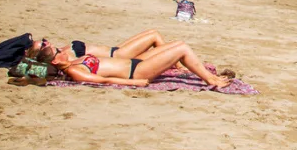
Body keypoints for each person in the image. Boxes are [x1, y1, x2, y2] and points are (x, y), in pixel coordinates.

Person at [42, 40, 232, 88]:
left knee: (176, 43)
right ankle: (211, 79)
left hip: (134, 63)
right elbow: (102, 81)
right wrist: (135, 83)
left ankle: (210, 76)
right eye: (57, 53)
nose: (61, 51)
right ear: (54, 61)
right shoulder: (75, 70)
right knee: (181, 48)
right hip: (137, 72)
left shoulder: (74, 61)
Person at [28, 29, 172, 63]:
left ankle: (174, 64)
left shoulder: (61, 50)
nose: (47, 42)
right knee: (155, 36)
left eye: (44, 40)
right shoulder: (65, 56)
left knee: (152, 32)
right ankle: (179, 68)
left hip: (115, 49)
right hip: (117, 55)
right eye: (43, 44)